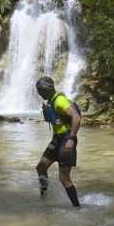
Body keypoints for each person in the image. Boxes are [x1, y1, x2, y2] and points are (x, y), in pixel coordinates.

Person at [35, 76, 82, 207]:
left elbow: (76, 118)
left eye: (40, 90)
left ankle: (77, 207)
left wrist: (71, 138)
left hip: (67, 138)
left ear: (47, 89)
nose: (39, 93)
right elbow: (58, 122)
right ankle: (43, 196)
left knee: (64, 178)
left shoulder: (60, 101)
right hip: (57, 139)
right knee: (41, 166)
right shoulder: (51, 101)